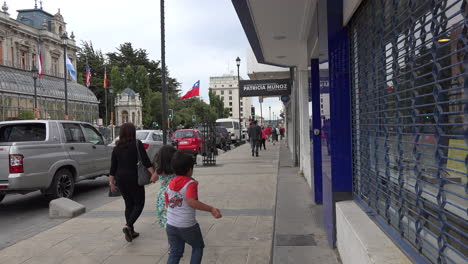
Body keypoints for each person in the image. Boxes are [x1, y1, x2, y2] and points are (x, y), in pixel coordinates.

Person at [165, 151, 222, 264]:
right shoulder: (190, 183)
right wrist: (211, 209)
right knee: (197, 246)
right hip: (187, 225)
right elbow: (192, 202)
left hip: (171, 224)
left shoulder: (170, 183)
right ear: (190, 170)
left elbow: (168, 203)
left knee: (175, 253)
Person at [109, 123, 158, 242]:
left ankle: (131, 230)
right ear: (133, 132)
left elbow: (113, 167)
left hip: (120, 179)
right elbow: (145, 161)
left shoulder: (116, 148)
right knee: (139, 203)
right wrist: (153, 174)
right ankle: (128, 225)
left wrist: (111, 183)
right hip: (134, 178)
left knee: (128, 204)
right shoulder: (137, 144)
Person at [153, 145, 177, 228]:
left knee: (167, 219)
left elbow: (153, 179)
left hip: (163, 196)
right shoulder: (176, 168)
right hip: (175, 193)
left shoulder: (159, 169)